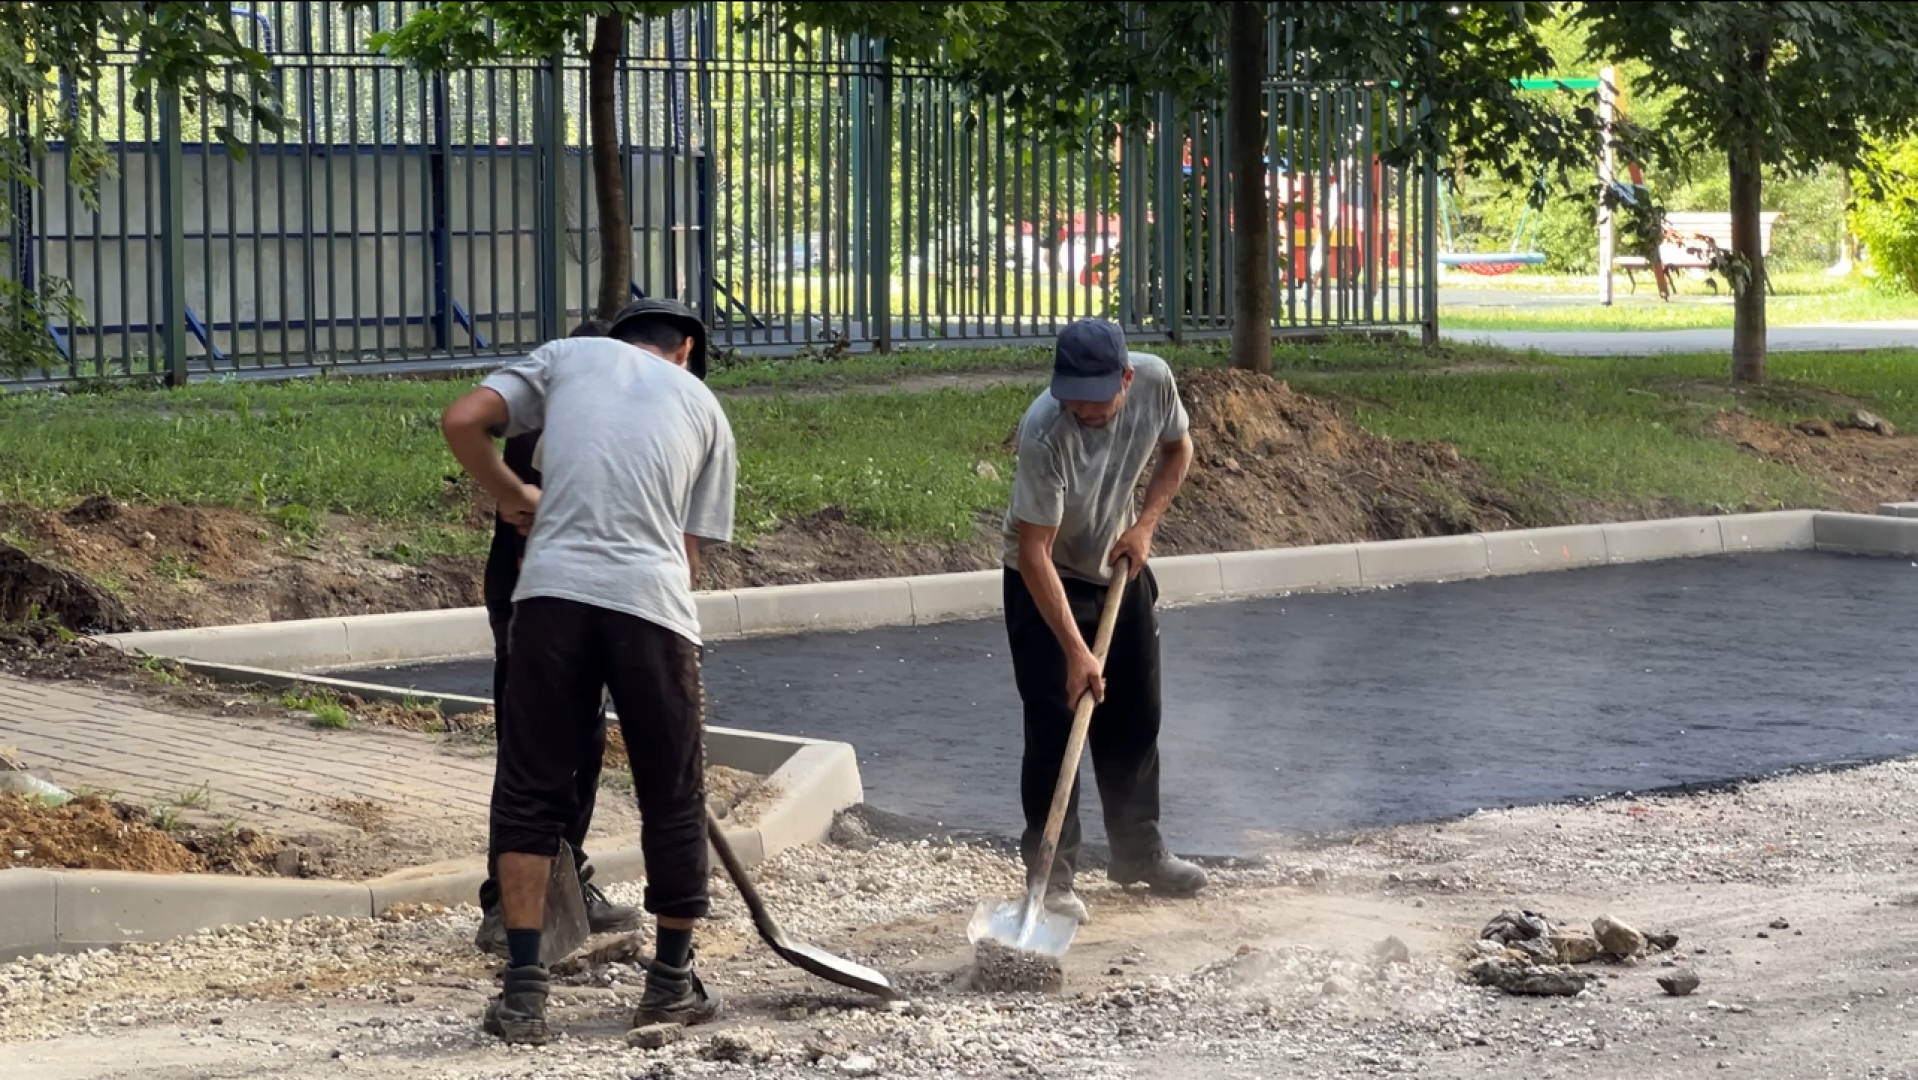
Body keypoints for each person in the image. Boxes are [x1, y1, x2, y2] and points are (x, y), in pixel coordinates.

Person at [440, 297, 736, 1046]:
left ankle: (524, 992)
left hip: (550, 600)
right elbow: (687, 559)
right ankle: (669, 985)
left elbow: (461, 420)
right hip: (652, 609)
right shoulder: (704, 406)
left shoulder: (566, 359)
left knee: (532, 789)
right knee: (672, 797)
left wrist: (513, 495)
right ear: (686, 348)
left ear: (617, 339)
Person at [999, 317, 1208, 925]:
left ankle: (1138, 854)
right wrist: (1075, 649)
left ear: (1124, 378)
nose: (1083, 412)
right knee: (1055, 729)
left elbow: (1179, 450)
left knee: (1137, 715)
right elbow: (1034, 552)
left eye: (1095, 401)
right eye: (1072, 400)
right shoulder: (1044, 431)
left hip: (1118, 563)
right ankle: (1051, 879)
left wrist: (1143, 526)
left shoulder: (1156, 382)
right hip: (1046, 578)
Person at [471, 317, 642, 959]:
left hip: (594, 600)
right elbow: (523, 528)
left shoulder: (617, 421)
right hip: (533, 601)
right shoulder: (541, 428)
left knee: (587, 744)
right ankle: (504, 904)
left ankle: (569, 885)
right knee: (532, 750)